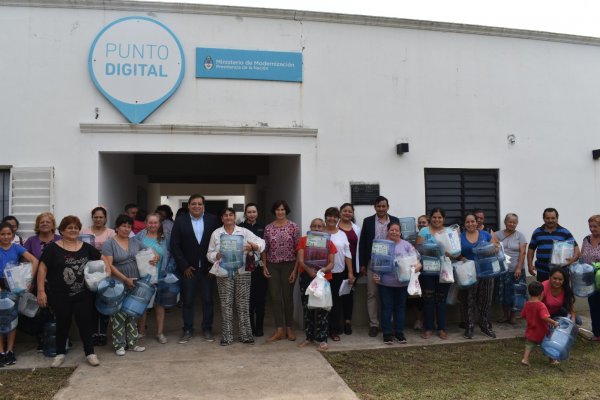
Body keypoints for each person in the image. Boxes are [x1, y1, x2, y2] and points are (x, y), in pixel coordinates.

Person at [36, 216, 106, 368]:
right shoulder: (52, 249)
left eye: (75, 227)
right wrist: (41, 291)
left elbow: (103, 259)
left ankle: (90, 353)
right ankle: (60, 354)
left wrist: (103, 275)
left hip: (83, 295)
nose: (73, 230)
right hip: (60, 296)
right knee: (62, 324)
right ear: (61, 230)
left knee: (85, 324)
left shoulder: (86, 247)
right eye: (69, 228)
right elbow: (42, 268)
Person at [207, 207, 265, 346]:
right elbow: (209, 253)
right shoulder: (216, 234)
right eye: (225, 215)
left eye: (231, 215)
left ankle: (245, 335)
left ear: (234, 217)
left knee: (243, 304)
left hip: (242, 271)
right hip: (223, 272)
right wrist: (216, 255)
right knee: (226, 304)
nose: (228, 217)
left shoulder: (244, 232)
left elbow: (262, 242)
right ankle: (227, 336)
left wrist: (253, 247)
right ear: (222, 218)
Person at [170, 194, 220, 344]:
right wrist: (184, 265)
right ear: (188, 206)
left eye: (199, 204)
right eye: (193, 204)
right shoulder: (180, 221)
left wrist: (214, 265)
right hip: (188, 270)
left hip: (207, 269)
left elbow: (218, 242)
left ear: (204, 206)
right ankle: (187, 330)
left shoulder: (212, 220)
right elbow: (175, 245)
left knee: (207, 300)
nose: (197, 206)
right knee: (188, 301)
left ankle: (207, 329)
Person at [103, 214, 155, 356]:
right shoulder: (110, 243)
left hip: (135, 282)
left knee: (132, 313)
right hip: (118, 283)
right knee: (118, 314)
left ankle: (132, 343)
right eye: (123, 226)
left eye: (129, 226)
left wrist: (154, 258)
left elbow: (150, 252)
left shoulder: (135, 242)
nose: (126, 229)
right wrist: (125, 279)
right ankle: (119, 345)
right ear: (117, 227)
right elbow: (109, 265)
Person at [373, 222, 422, 345]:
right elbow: (376, 263)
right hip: (385, 283)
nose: (394, 232)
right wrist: (376, 275)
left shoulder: (407, 245)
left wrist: (417, 267)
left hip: (402, 284)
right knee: (386, 309)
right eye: (392, 230)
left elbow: (417, 261)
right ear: (387, 231)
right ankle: (387, 334)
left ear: (400, 232)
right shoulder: (382, 245)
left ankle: (399, 333)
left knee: (400, 309)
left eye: (397, 230)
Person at [358, 196, 400, 337]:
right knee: (372, 293)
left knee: (389, 293)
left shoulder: (395, 221)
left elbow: (400, 239)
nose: (381, 209)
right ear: (375, 207)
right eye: (379, 206)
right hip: (373, 262)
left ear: (388, 207)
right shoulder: (368, 221)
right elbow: (363, 242)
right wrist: (363, 263)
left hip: (391, 263)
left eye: (384, 206)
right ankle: (374, 324)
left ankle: (388, 323)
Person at [262, 200, 301, 342]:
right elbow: (264, 249)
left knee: (288, 297)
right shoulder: (268, 228)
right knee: (275, 298)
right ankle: (279, 329)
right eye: (277, 209)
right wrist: (264, 266)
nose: (280, 212)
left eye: (282, 209)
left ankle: (289, 328)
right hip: (272, 265)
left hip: (289, 265)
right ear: (274, 211)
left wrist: (295, 270)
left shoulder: (293, 227)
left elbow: (299, 250)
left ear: (286, 211)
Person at [0, 222, 38, 366]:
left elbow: (34, 260)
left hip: (12, 287)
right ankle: (1, 351)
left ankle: (10, 351)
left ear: (13, 235)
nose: (5, 237)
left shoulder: (16, 247)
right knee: (0, 319)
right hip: (0, 287)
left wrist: (29, 280)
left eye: (9, 234)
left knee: (11, 318)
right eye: (2, 234)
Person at [297, 218, 336, 351]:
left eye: (319, 226)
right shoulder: (303, 240)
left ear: (323, 228)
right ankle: (309, 337)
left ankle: (322, 340)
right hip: (306, 277)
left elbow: (332, 262)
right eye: (314, 226)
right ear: (310, 227)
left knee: (322, 309)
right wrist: (309, 270)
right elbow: (301, 260)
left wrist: (322, 271)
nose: (317, 228)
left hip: (322, 278)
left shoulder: (329, 242)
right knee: (307, 308)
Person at [136, 213, 175, 344]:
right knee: (143, 305)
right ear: (146, 223)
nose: (153, 225)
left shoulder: (165, 237)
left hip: (160, 275)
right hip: (143, 276)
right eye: (150, 222)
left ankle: (160, 333)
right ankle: (141, 331)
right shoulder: (139, 237)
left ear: (159, 224)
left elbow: (171, 255)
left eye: (155, 223)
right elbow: (133, 253)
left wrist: (167, 271)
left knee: (160, 305)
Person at [459, 212, 499, 339]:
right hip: (469, 273)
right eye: (468, 222)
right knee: (468, 301)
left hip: (487, 272)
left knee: (485, 300)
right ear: (464, 224)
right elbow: (455, 253)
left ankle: (484, 325)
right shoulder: (460, 237)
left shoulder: (485, 235)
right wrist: (462, 257)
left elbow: (496, 247)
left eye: (473, 221)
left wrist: (490, 248)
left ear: (477, 223)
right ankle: (469, 326)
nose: (471, 224)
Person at [415, 208, 451, 339]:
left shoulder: (448, 232)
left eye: (440, 217)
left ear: (444, 219)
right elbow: (417, 250)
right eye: (434, 217)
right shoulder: (424, 231)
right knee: (428, 299)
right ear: (431, 218)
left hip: (444, 271)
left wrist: (448, 252)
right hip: (427, 271)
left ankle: (441, 328)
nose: (437, 220)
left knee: (441, 300)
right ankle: (428, 328)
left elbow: (454, 252)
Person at [323, 207, 354, 342]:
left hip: (339, 273)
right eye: (329, 216)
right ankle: (323, 329)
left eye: (335, 217)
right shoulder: (320, 233)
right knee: (323, 302)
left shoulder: (342, 234)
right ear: (325, 217)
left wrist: (351, 273)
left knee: (336, 303)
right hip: (323, 273)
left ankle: (334, 330)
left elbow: (348, 254)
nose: (332, 219)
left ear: (338, 219)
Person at [527, 208, 579, 282]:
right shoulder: (537, 232)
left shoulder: (565, 232)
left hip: (561, 272)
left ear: (557, 218)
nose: (550, 220)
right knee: (543, 292)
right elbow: (531, 249)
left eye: (553, 218)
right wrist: (529, 265)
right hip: (542, 272)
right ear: (544, 219)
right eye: (547, 218)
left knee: (562, 293)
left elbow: (576, 248)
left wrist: (573, 259)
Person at [238, 203, 267, 337]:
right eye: (249, 212)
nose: (251, 214)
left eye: (254, 211)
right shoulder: (240, 228)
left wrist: (265, 266)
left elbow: (264, 249)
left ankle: (259, 327)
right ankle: (250, 327)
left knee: (260, 298)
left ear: (257, 213)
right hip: (245, 267)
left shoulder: (263, 227)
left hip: (259, 267)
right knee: (248, 299)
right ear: (245, 213)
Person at [495, 213, 528, 324]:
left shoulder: (520, 236)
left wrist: (518, 268)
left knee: (516, 293)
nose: (512, 224)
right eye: (510, 221)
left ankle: (513, 315)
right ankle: (505, 315)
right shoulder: (498, 234)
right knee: (503, 293)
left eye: (514, 222)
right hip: (502, 269)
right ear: (505, 222)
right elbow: (493, 247)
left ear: (517, 224)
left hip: (516, 269)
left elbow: (523, 253)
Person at [520, 281, 559, 367]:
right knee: (547, 345)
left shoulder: (527, 304)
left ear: (529, 293)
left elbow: (522, 315)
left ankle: (525, 359)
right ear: (542, 293)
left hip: (531, 330)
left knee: (529, 345)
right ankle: (552, 360)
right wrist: (554, 322)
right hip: (541, 331)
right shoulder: (541, 305)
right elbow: (544, 317)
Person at [337, 203, 361, 334]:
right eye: (344, 211)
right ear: (340, 212)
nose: (347, 213)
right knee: (337, 295)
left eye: (349, 211)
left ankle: (347, 322)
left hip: (352, 267)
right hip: (338, 266)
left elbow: (360, 248)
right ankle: (336, 323)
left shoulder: (357, 229)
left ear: (352, 214)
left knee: (348, 295)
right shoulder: (334, 227)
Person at [580, 215, 600, 340]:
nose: (592, 229)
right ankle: (597, 333)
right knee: (593, 306)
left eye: (595, 226)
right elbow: (582, 257)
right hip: (589, 279)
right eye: (590, 226)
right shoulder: (586, 239)